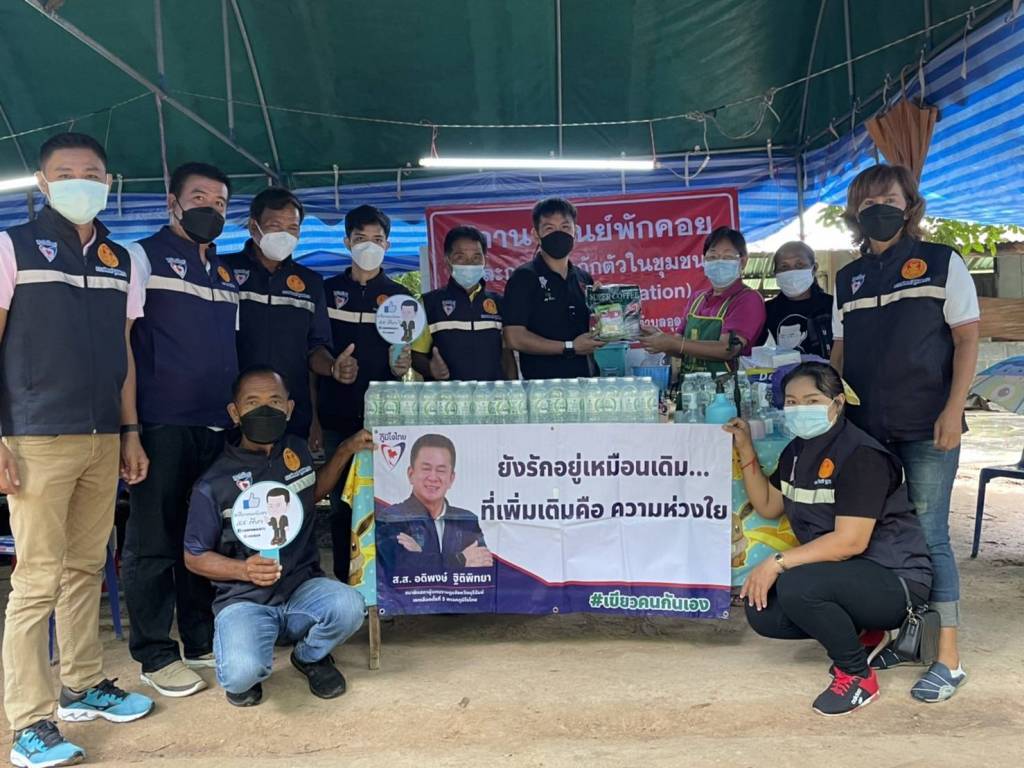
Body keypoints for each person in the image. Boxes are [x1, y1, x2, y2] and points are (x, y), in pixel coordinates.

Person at [0, 132, 153, 767]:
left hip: (101, 436)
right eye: (64, 173)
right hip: (35, 435)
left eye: (91, 173)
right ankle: (28, 722)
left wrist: (129, 431)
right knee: (36, 580)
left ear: (108, 183)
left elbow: (124, 351)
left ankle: (83, 684)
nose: (79, 182)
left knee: (87, 567)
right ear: (42, 183)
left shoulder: (123, 259)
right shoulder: (9, 246)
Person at [830, 164, 979, 703]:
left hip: (927, 423)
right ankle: (908, 636)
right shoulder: (848, 277)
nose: (878, 209)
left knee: (930, 534)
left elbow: (966, 340)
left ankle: (949, 659)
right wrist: (833, 414)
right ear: (855, 212)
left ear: (909, 205)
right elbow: (840, 352)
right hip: (867, 430)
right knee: (883, 534)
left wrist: (953, 409)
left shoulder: (942, 261)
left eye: (888, 200)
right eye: (867, 203)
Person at [724, 362, 933, 717]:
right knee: (763, 610)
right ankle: (865, 636)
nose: (799, 410)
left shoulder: (861, 455)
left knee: (796, 585)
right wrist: (744, 448)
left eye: (811, 401)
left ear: (837, 403)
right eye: (792, 402)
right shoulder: (796, 452)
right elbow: (769, 504)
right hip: (846, 577)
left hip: (895, 578)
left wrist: (776, 563)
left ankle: (856, 676)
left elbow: (850, 542)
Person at [123, 161, 240, 698]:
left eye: (219, 203)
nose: (209, 209)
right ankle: (155, 653)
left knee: (203, 537)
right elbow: (123, 343)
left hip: (215, 426)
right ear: (172, 202)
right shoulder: (141, 257)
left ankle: (199, 638)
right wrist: (130, 428)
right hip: (161, 423)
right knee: (154, 541)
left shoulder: (224, 272)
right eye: (199, 198)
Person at [184, 367, 367, 707]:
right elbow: (193, 556)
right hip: (245, 600)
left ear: (289, 408)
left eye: (275, 401)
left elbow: (311, 494)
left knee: (350, 607)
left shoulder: (295, 451)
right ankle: (249, 650)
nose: (265, 410)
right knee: (241, 676)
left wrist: (345, 449)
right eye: (252, 403)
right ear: (235, 413)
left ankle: (309, 656)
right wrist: (244, 570)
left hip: (301, 588)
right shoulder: (213, 483)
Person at [223, 188, 357, 450]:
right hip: (233, 413)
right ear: (253, 226)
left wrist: (332, 367)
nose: (284, 234)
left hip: (290, 412)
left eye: (292, 228)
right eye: (275, 226)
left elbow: (315, 348)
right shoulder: (223, 270)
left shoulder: (310, 283)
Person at [319, 204, 411, 581]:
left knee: (386, 504)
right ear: (346, 242)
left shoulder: (399, 296)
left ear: (387, 245)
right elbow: (313, 350)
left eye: (377, 239)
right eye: (360, 239)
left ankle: (384, 586)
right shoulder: (326, 291)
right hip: (335, 416)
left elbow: (405, 356)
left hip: (384, 420)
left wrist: (403, 366)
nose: (369, 246)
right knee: (341, 506)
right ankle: (347, 584)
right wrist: (331, 367)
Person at [639, 227, 766, 374]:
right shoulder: (697, 299)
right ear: (704, 261)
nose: (719, 262)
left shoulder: (748, 299)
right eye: (712, 257)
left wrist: (671, 342)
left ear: (742, 261)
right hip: (690, 385)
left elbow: (728, 349)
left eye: (727, 257)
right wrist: (658, 337)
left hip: (729, 385)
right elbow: (680, 347)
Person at [503, 197, 603, 379]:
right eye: (549, 228)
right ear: (536, 234)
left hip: (587, 383)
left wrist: (607, 312)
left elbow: (594, 332)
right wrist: (569, 347)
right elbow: (514, 337)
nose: (559, 234)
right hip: (544, 388)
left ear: (575, 231)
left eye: (565, 227)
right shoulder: (524, 277)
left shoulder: (583, 278)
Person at [412, 225, 517, 381]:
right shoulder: (428, 304)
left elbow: (506, 355)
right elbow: (416, 354)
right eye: (460, 257)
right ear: (447, 260)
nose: (470, 264)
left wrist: (513, 389)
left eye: (476, 257)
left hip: (491, 394)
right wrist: (430, 368)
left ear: (485, 261)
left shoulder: (499, 303)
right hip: (447, 394)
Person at [377, 434, 492, 574]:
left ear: (451, 479)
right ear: (411, 474)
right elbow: (399, 566)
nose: (433, 477)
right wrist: (460, 560)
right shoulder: (391, 517)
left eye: (441, 470)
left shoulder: (467, 520)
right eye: (426, 468)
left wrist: (421, 557)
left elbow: (484, 567)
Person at [759, 241, 834, 358]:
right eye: (784, 266)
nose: (791, 271)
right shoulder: (766, 311)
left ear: (814, 269)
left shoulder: (832, 307)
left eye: (799, 265)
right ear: (775, 273)